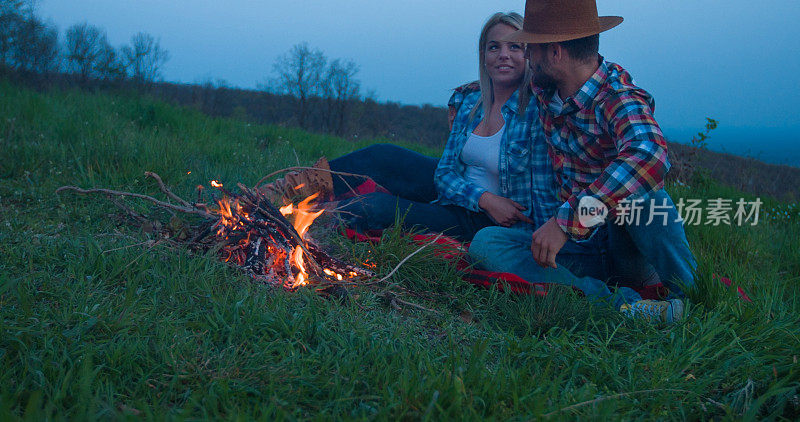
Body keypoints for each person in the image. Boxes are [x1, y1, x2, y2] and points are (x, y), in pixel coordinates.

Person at [468, 0, 697, 323]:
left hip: (622, 242)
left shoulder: (616, 97)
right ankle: (622, 305)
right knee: (487, 244)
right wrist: (462, 97)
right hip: (579, 248)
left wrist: (567, 220)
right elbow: (506, 81)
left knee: (647, 197)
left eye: (531, 49)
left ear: (555, 53)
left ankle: (690, 295)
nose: (528, 58)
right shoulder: (547, 89)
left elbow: (649, 154)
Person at [261, 12, 556, 241]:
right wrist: (483, 197)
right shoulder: (471, 102)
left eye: (515, 46)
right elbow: (445, 173)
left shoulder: (538, 110)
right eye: (494, 47)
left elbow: (544, 191)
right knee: (382, 156)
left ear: (529, 55)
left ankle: (294, 221)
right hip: (464, 194)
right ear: (484, 55)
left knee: (374, 207)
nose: (504, 54)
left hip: (487, 220)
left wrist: (541, 236)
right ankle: (280, 193)